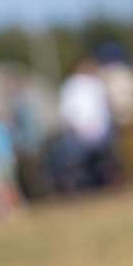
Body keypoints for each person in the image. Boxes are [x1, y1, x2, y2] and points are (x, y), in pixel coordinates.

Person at [55, 58, 116, 192]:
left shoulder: (94, 84)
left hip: (97, 130)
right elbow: (70, 109)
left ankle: (105, 188)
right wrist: (76, 126)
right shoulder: (73, 85)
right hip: (83, 131)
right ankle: (86, 190)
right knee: (82, 166)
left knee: (102, 163)